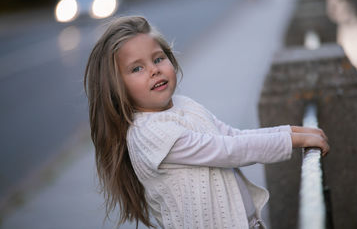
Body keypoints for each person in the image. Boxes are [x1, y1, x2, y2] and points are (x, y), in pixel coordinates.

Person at [84, 16, 329, 229]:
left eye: (158, 59)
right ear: (116, 87)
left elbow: (232, 136)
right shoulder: (149, 134)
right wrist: (294, 140)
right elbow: (227, 151)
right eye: (137, 68)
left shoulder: (184, 105)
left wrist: (295, 131)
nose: (153, 70)